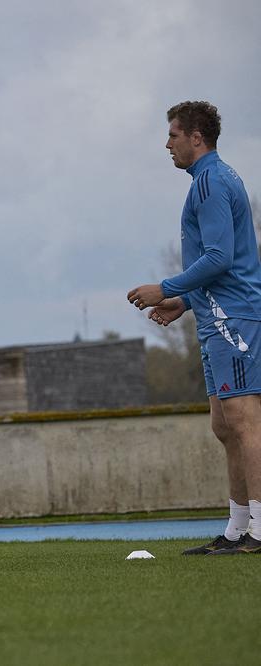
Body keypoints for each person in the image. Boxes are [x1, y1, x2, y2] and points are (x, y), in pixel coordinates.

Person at [128, 101, 261, 555]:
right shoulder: (212, 180)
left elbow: (221, 258)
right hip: (214, 316)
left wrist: (163, 286)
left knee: (244, 423)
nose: (167, 144)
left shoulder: (212, 180)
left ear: (196, 137)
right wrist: (183, 302)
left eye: (173, 135)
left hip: (233, 319)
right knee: (224, 425)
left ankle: (259, 532)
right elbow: (224, 261)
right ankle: (237, 528)